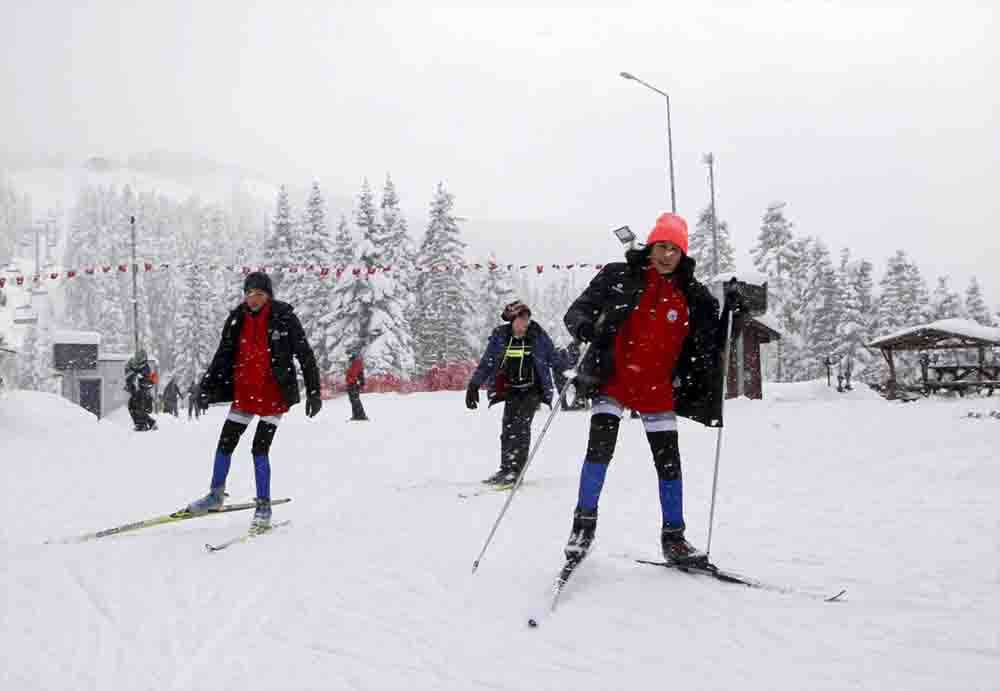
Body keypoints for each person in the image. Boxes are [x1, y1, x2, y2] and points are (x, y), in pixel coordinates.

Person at [561, 212, 740, 565]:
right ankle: (583, 527)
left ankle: (674, 538)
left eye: (674, 249)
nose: (666, 255)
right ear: (651, 246)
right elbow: (576, 312)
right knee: (599, 451)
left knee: (669, 463)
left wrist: (734, 313)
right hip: (613, 380)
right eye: (661, 246)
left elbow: (713, 345)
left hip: (657, 387)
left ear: (683, 254)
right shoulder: (618, 276)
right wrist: (586, 329)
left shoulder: (693, 295)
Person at [184, 271, 322, 532]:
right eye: (249, 294)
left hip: (273, 396)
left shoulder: (284, 317)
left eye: (258, 294)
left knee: (259, 449)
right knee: (225, 443)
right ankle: (215, 494)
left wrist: (314, 391)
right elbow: (222, 354)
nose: (253, 299)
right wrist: (206, 387)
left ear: (268, 295)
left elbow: (305, 353)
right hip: (245, 393)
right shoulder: (237, 318)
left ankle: (263, 507)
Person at [466, 300, 557, 485]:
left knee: (521, 428)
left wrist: (572, 372)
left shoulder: (537, 335)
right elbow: (488, 361)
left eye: (527, 318)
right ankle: (506, 468)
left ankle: (516, 471)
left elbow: (554, 357)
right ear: (512, 320)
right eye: (521, 318)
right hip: (511, 390)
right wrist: (474, 385)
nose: (526, 322)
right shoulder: (501, 336)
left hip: (532, 390)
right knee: (507, 430)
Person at [124, 349, 157, 431]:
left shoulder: (145, 368)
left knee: (138, 408)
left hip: (143, 392)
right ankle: (145, 423)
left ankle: (143, 424)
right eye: (138, 357)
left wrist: (138, 377)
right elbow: (132, 372)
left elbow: (144, 378)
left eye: (140, 357)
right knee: (133, 407)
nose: (138, 359)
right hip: (139, 391)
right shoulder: (138, 366)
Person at [345, 352, 368, 421]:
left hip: (353, 384)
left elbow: (354, 374)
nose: (349, 358)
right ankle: (356, 415)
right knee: (354, 400)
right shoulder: (354, 364)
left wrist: (352, 381)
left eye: (350, 357)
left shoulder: (355, 363)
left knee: (355, 400)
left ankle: (361, 416)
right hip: (352, 384)